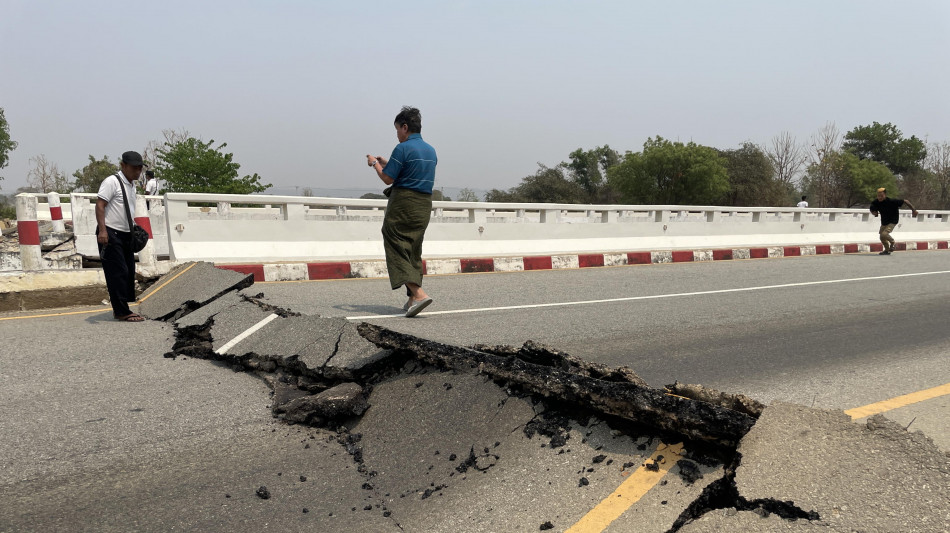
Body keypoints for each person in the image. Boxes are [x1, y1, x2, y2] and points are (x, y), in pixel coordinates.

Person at [366, 106, 437, 317]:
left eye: (398, 129)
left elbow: (388, 178)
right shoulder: (430, 150)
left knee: (394, 241)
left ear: (405, 127)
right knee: (412, 248)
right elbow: (408, 173)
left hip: (404, 202)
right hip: (423, 204)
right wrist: (388, 164)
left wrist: (375, 164)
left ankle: (419, 293)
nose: (397, 134)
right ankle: (412, 300)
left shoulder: (403, 148)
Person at [96, 151, 145, 321]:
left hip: (125, 234)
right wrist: (103, 231)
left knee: (129, 271)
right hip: (110, 233)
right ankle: (122, 311)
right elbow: (100, 205)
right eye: (134, 168)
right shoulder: (112, 182)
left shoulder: (132, 185)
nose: (137, 172)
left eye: (139, 168)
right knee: (118, 272)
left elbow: (126, 209)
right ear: (123, 166)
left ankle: (123, 306)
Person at [869, 187, 918, 256]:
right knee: (882, 237)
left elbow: (906, 201)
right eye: (878, 196)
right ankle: (886, 250)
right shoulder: (876, 202)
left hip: (893, 220)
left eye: (881, 196)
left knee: (884, 234)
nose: (880, 198)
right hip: (884, 221)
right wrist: (874, 213)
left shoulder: (892, 201)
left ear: (885, 195)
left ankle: (892, 242)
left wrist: (914, 210)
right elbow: (872, 208)